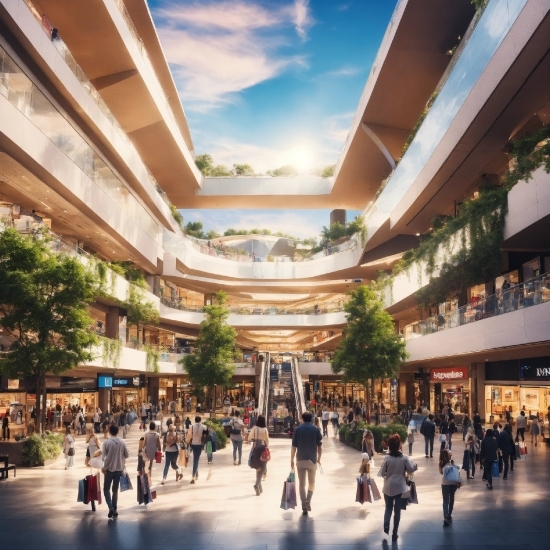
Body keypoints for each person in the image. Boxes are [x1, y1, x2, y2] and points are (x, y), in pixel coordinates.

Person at [380, 434, 417, 542]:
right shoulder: (404, 457)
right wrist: (415, 466)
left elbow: (382, 473)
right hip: (400, 487)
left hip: (388, 487)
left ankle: (386, 524)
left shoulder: (387, 458)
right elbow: (411, 468)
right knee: (397, 511)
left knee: (388, 508)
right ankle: (394, 533)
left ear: (389, 446)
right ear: (399, 445)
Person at [291, 412, 322, 515]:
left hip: (300, 459)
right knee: (312, 482)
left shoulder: (297, 429)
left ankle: (304, 506)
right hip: (312, 459)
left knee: (301, 484)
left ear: (302, 419)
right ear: (311, 419)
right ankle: (308, 499)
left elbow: (294, 446)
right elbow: (319, 446)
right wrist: (319, 458)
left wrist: (291, 459)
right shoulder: (316, 429)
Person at [102, 424, 129, 518]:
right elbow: (127, 455)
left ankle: (110, 507)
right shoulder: (122, 442)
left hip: (109, 470)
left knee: (106, 489)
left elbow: (104, 458)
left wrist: (104, 468)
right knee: (115, 490)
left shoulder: (106, 443)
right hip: (119, 469)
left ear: (109, 432)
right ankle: (115, 508)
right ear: (118, 431)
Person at [249, 415, 270, 496]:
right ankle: (257, 485)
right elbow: (267, 440)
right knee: (263, 467)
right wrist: (267, 446)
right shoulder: (265, 429)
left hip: (255, 448)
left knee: (257, 467)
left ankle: (260, 489)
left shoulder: (255, 428)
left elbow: (250, 436)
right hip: (262, 448)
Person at [439, 449, 460, 526]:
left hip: (445, 483)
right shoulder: (452, 462)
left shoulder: (441, 464)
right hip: (454, 482)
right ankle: (449, 514)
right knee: (452, 497)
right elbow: (457, 470)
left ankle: (446, 516)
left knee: (445, 500)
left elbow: (441, 473)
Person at [186, 416, 207, 484]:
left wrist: (188, 444)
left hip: (193, 444)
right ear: (200, 420)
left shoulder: (191, 426)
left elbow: (188, 436)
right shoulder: (204, 427)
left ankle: (196, 473)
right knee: (196, 459)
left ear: (195, 420)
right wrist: (202, 443)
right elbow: (205, 436)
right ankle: (193, 476)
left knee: (196, 459)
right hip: (199, 444)